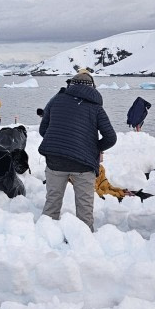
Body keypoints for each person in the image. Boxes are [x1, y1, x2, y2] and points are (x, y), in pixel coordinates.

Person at [37, 70, 117, 232]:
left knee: (52, 203)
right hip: (83, 164)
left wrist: (58, 144)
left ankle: (45, 237)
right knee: (84, 209)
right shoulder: (96, 107)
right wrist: (95, 148)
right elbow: (111, 137)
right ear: (92, 87)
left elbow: (43, 129)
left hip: (55, 161)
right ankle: (84, 243)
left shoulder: (56, 100)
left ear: (71, 84)